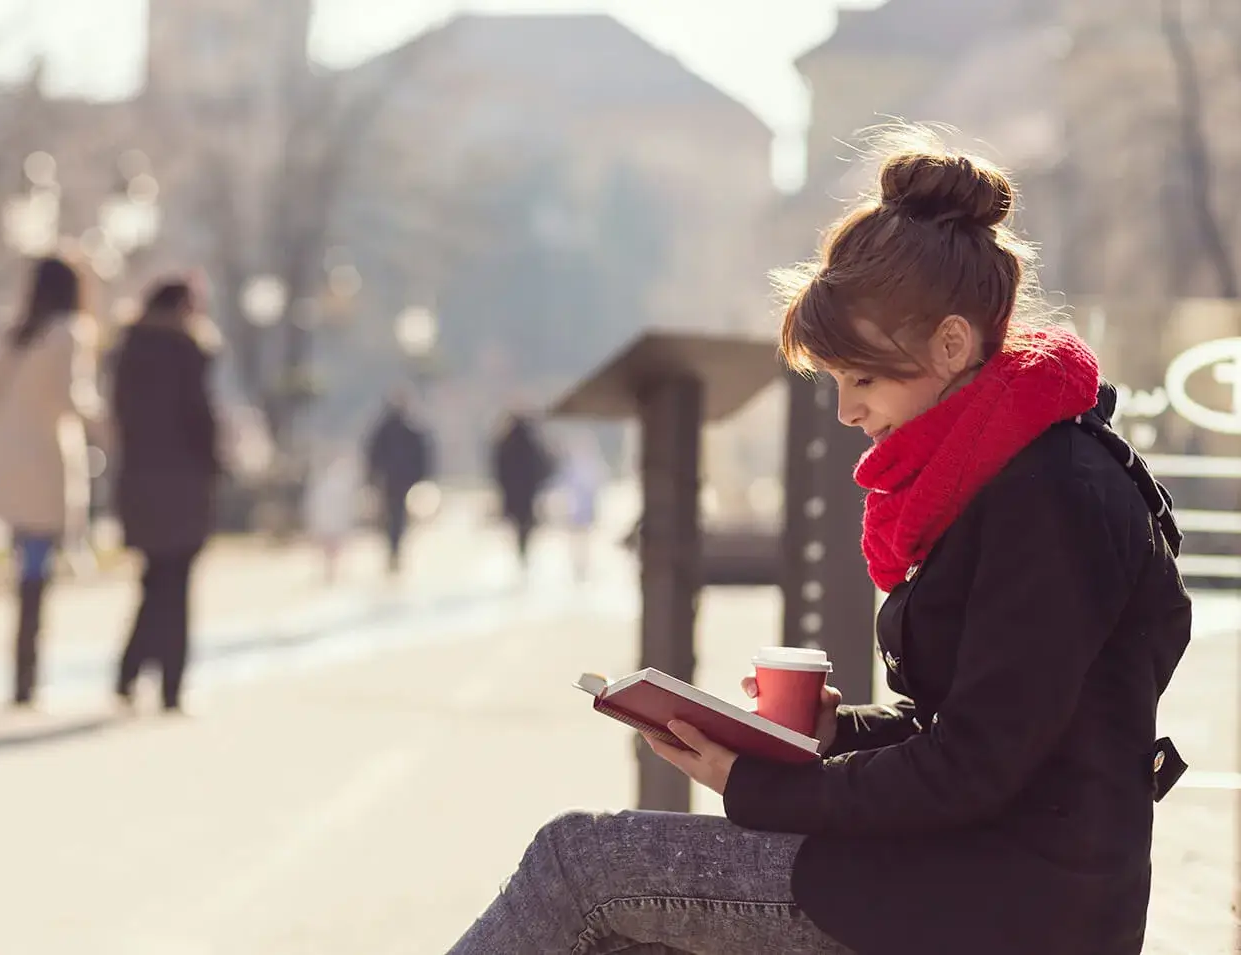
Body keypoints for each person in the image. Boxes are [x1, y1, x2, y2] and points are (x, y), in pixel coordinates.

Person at [447, 132, 1192, 955]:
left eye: (864, 379)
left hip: (1002, 905)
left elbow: (975, 767)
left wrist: (758, 786)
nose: (845, 412)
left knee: (579, 863)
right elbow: (984, 729)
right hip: (963, 874)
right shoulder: (1003, 471)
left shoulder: (1054, 495)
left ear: (951, 345)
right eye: (835, 381)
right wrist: (835, 736)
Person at [0, 254, 103, 708]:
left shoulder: (18, 336)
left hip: (11, 460)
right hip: (47, 459)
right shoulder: (71, 333)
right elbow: (77, 397)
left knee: (26, 566)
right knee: (38, 571)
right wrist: (111, 426)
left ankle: (22, 670)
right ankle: (27, 672)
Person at [108, 275, 221, 714]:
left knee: (155, 581)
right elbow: (200, 419)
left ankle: (129, 671)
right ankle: (170, 684)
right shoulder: (186, 351)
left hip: (138, 480)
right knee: (175, 587)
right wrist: (214, 466)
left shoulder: (127, 352)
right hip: (182, 483)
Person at [363, 391, 434, 576]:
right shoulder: (399, 430)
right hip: (399, 480)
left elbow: (372, 455)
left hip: (393, 480)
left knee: (393, 516)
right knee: (396, 516)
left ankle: (394, 548)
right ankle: (394, 547)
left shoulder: (385, 430)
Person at [490, 409, 555, 571]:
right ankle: (523, 556)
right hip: (528, 495)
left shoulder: (506, 442)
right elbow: (544, 466)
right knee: (524, 527)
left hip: (514, 494)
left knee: (518, 527)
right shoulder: (531, 443)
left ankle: (522, 556)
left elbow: (498, 468)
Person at [302, 444, 363, 585]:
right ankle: (330, 570)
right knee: (330, 546)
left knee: (332, 547)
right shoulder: (326, 486)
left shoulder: (334, 485)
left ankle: (331, 570)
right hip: (329, 522)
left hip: (331, 522)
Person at [555, 432, 609, 581]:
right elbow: (564, 484)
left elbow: (598, 484)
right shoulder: (572, 466)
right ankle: (578, 565)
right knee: (576, 538)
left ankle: (583, 565)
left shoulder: (591, 465)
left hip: (585, 507)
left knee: (584, 538)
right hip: (574, 507)